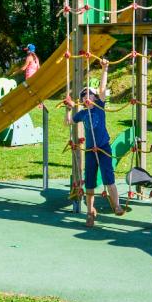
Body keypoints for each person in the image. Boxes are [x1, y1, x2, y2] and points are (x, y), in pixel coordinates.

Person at [65, 58, 125, 227]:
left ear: (95, 96)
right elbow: (69, 122)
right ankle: (90, 212)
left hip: (104, 148)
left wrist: (105, 69)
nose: (85, 96)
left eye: (88, 93)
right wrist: (68, 109)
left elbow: (103, 89)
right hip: (91, 150)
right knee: (90, 182)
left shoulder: (99, 105)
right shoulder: (82, 113)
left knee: (108, 178)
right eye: (83, 95)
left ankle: (117, 205)